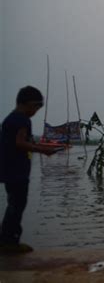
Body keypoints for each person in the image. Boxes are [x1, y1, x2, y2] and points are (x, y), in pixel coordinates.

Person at [0, 86, 58, 253]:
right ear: (29, 104)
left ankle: (6, 239)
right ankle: (10, 242)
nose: (36, 112)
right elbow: (20, 143)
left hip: (9, 170)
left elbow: (19, 142)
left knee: (13, 204)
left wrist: (39, 146)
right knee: (17, 205)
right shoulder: (22, 120)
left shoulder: (10, 119)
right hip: (17, 172)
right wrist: (43, 150)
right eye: (36, 107)